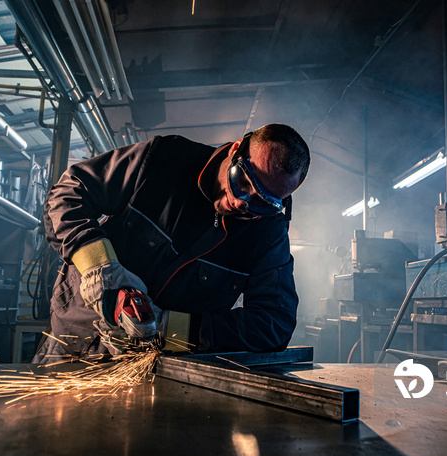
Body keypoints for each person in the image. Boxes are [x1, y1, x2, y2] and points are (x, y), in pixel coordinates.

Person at [33, 123, 310, 362]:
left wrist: (171, 329)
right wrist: (99, 267)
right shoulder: (163, 160)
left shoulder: (267, 231)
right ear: (235, 150)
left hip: (160, 364)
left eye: (262, 203)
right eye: (242, 182)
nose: (242, 202)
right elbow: (68, 195)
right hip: (74, 341)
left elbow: (273, 324)